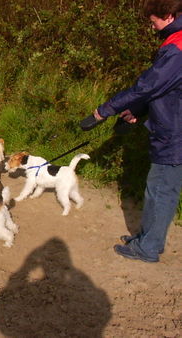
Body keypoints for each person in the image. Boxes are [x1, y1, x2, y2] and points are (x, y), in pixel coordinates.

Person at [93, 0, 182, 263]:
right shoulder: (174, 41)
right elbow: (164, 90)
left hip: (175, 134)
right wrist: (138, 111)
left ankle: (149, 247)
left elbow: (147, 86)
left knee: (162, 190)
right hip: (169, 127)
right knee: (156, 187)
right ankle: (147, 239)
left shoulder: (177, 48)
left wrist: (104, 110)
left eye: (153, 19)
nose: (150, 24)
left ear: (167, 15)